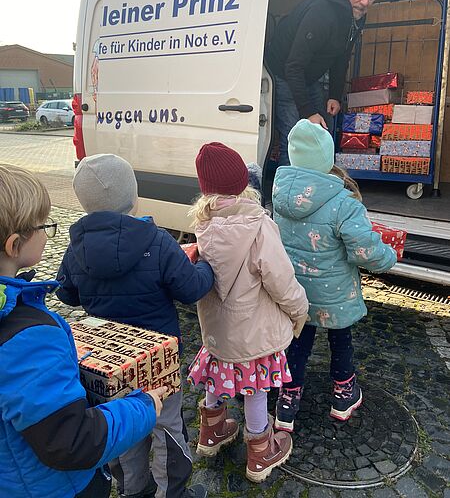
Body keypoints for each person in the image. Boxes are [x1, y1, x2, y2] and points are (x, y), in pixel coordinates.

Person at [0, 164, 166, 498]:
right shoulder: (28, 336)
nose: (49, 234)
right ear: (14, 244)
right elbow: (71, 442)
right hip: (55, 488)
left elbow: (66, 291)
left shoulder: (76, 248)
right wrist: (144, 406)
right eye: (44, 226)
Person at [56, 154, 214, 498]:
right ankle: (171, 491)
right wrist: (205, 267)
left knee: (122, 430)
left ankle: (132, 490)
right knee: (167, 425)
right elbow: (191, 289)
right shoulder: (156, 241)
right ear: (133, 195)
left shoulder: (75, 247)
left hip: (107, 362)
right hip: (158, 362)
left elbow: (66, 294)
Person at [186, 142, 309, 483]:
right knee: (256, 386)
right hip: (253, 330)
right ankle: (260, 451)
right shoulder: (258, 225)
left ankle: (211, 432)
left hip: (218, 331)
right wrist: (299, 309)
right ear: (244, 182)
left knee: (217, 374)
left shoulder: (203, 225)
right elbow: (280, 279)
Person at [271, 120, 397, 431]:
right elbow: (364, 249)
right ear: (328, 158)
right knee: (341, 340)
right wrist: (389, 257)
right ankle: (343, 395)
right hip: (334, 294)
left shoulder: (280, 195)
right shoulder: (343, 202)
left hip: (295, 291)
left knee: (297, 344)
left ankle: (287, 402)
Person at [265, 0, 384, 165]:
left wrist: (334, 96)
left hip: (309, 76)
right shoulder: (322, 13)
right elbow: (293, 65)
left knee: (323, 130)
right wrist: (308, 112)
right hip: (284, 74)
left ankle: (315, 189)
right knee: (296, 138)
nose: (365, 2)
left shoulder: (355, 15)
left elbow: (341, 57)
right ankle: (287, 195)